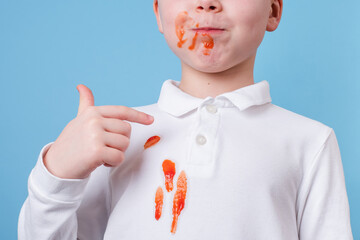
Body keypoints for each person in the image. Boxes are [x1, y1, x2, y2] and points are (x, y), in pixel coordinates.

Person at [18, 0, 354, 239]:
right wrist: (56, 174)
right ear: (159, 13)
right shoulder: (114, 136)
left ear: (273, 10)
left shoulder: (310, 141)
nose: (207, 3)